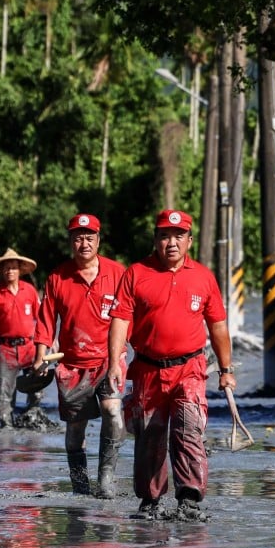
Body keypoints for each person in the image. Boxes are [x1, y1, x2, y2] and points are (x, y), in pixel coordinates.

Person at [106, 209, 234, 521]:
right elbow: (121, 319)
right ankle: (150, 501)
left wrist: (227, 371)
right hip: (148, 369)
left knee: (188, 428)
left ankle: (189, 499)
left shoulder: (203, 277)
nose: (171, 242)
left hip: (190, 368)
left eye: (178, 236)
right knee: (150, 435)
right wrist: (114, 363)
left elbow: (217, 326)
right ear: (155, 240)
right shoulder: (136, 273)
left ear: (189, 240)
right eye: (164, 236)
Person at [33, 213, 128, 498]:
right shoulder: (57, 278)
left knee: (113, 412)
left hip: (110, 360)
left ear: (99, 240)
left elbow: (129, 317)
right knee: (76, 428)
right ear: (70, 242)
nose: (84, 243)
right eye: (78, 238)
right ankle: (80, 484)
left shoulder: (118, 273)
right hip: (72, 365)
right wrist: (40, 354)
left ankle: (106, 478)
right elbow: (46, 321)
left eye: (89, 237)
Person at [0, 247, 42, 428]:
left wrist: (49, 343)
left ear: (20, 270)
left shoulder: (30, 290)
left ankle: (32, 422)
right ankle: (6, 428)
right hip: (5, 349)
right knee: (4, 393)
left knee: (36, 388)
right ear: (2, 271)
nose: (10, 271)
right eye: (6, 268)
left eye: (13, 267)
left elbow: (42, 319)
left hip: (29, 347)